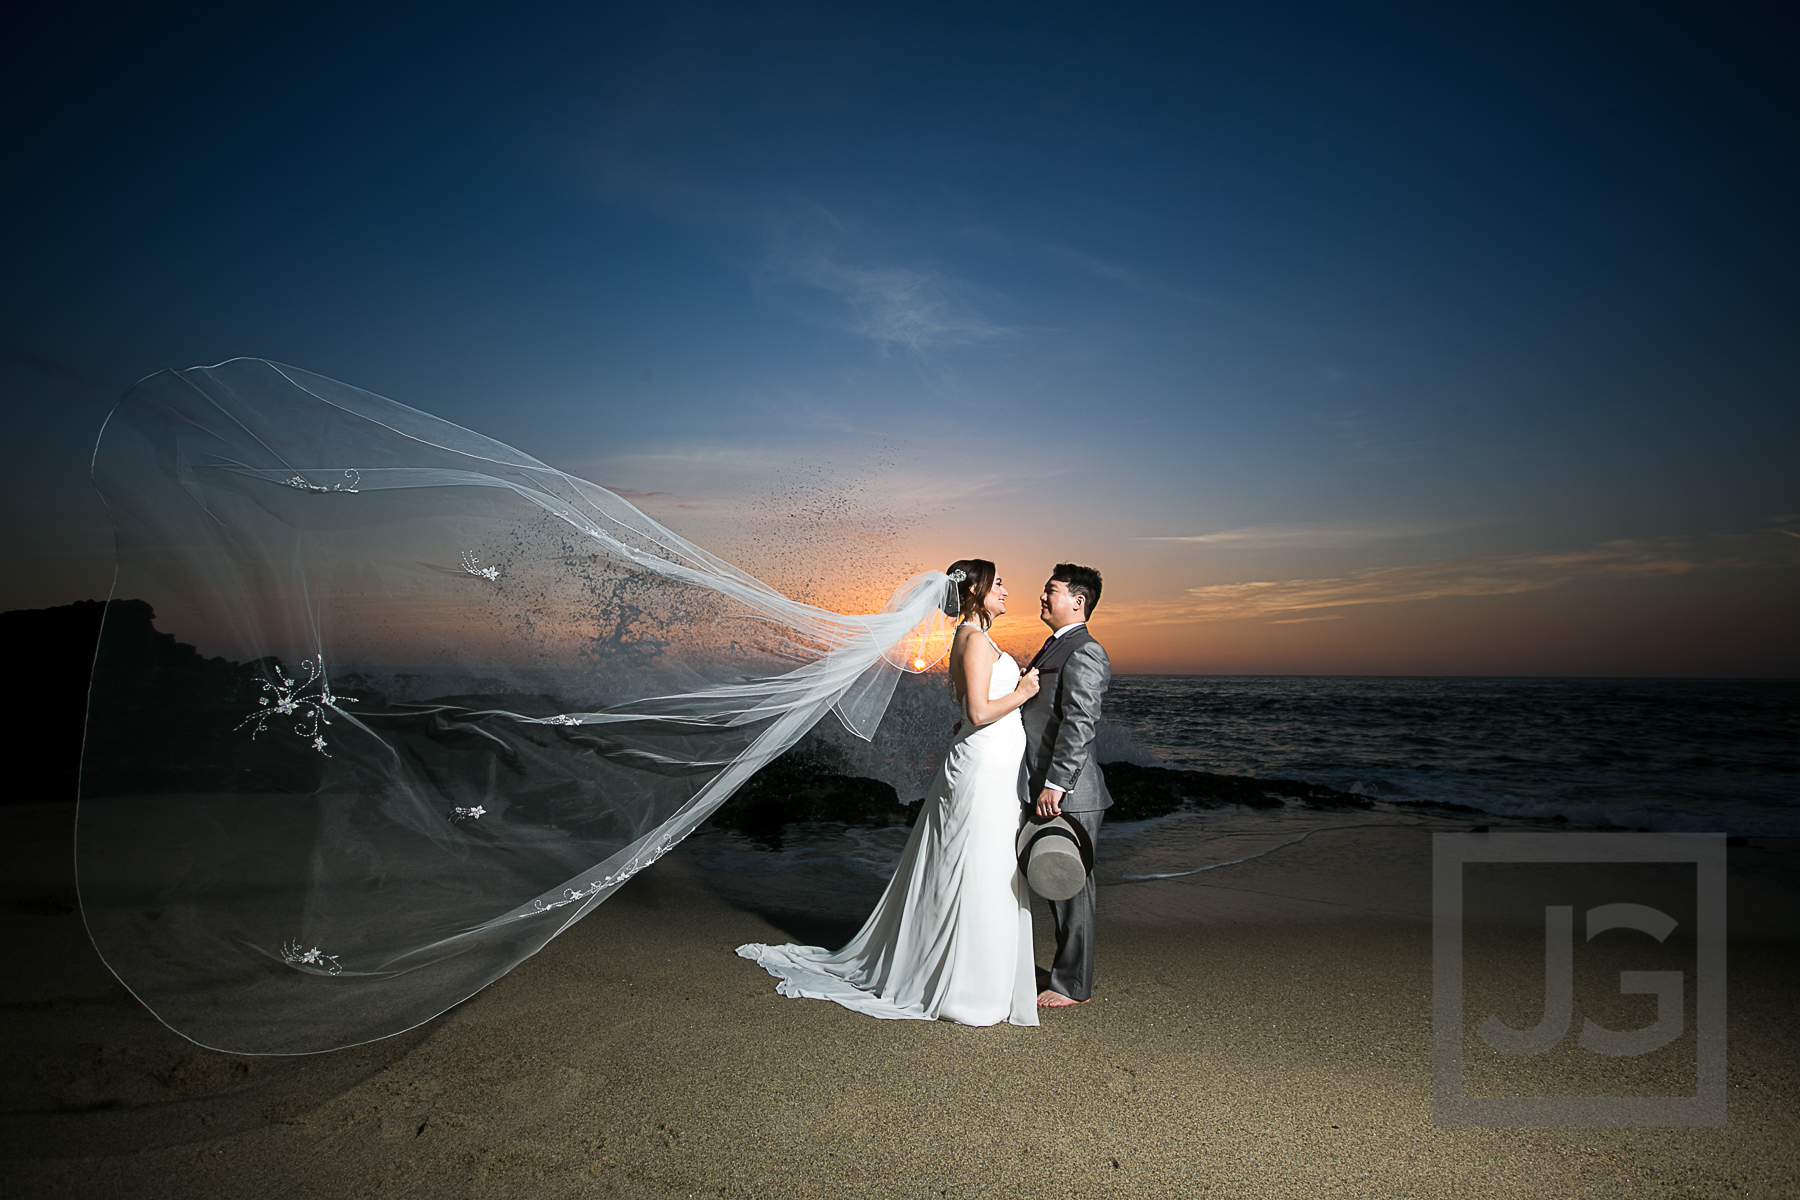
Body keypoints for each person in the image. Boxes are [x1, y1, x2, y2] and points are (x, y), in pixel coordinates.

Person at [737, 559, 1043, 1026]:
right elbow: (979, 713)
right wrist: (1022, 692)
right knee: (977, 862)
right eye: (998, 582)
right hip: (982, 767)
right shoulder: (973, 639)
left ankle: (969, 974)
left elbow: (965, 711)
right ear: (977, 591)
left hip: (989, 765)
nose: (1006, 589)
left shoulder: (971, 639)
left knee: (979, 862)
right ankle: (965, 987)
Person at [1020, 564, 1111, 1008]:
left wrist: (1057, 783)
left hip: (1071, 793)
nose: (1042, 597)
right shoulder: (1054, 646)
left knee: (1072, 891)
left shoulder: (1086, 651)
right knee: (1051, 883)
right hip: (1044, 786)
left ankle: (1073, 987)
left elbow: (1080, 722)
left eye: (1050, 591)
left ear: (1078, 600)